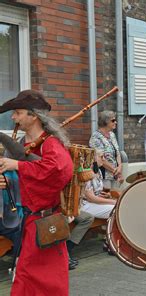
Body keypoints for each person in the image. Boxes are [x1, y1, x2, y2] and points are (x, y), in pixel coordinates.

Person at [0, 90, 73, 295]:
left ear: (33, 116)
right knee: (26, 276)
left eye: (18, 112)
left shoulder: (50, 143)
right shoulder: (23, 144)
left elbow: (59, 170)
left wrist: (18, 166)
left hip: (45, 222)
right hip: (26, 220)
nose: (13, 117)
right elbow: (22, 180)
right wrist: (8, 181)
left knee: (45, 280)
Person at [89, 110, 124, 189]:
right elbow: (101, 159)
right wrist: (116, 172)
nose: (116, 122)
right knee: (107, 198)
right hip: (104, 176)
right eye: (113, 120)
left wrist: (120, 167)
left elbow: (117, 152)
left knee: (116, 197)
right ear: (105, 122)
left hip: (115, 174)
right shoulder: (96, 137)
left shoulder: (112, 135)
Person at [81, 150, 116, 219]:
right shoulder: (86, 173)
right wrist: (113, 202)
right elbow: (91, 198)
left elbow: (98, 190)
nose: (104, 159)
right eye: (101, 157)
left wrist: (108, 195)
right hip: (87, 205)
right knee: (117, 209)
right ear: (93, 158)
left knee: (120, 207)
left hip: (96, 203)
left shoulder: (98, 171)